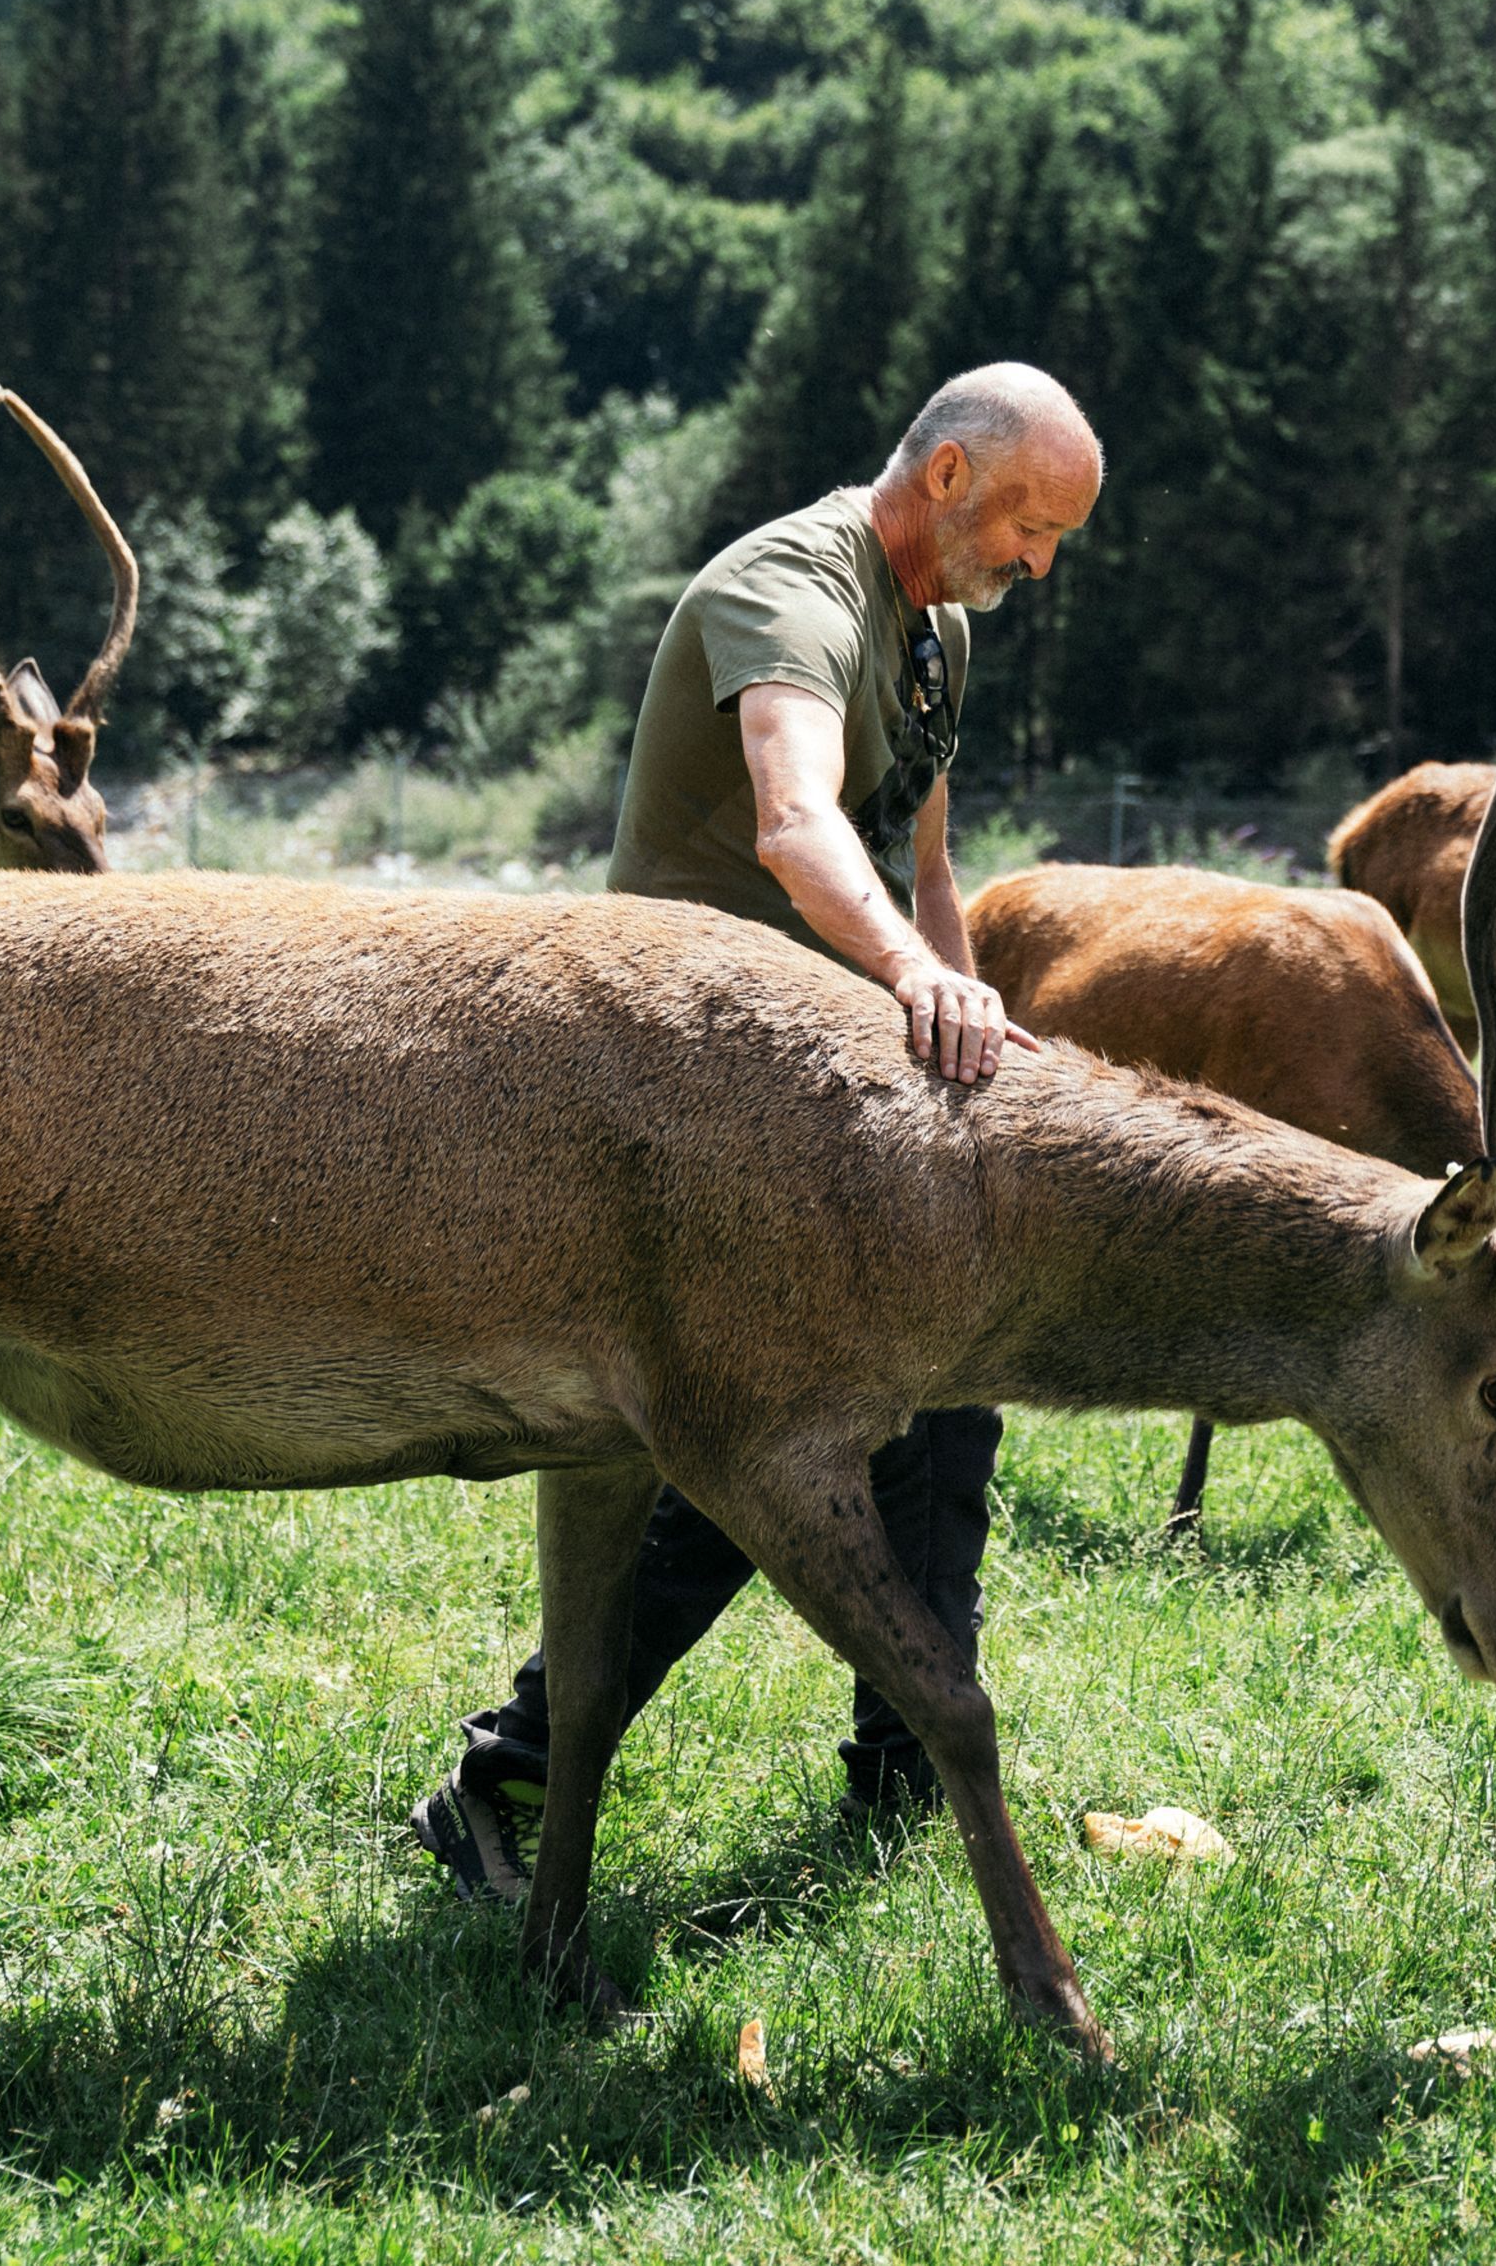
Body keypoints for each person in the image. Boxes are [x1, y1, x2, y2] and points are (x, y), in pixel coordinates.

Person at [409, 366, 1103, 1905]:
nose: (1039, 564)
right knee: (785, 1434)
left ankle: (904, 1768)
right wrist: (917, 985)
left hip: (803, 1083)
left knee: (944, 1377)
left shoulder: (943, 632)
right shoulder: (785, 589)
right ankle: (505, 1774)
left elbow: (922, 854)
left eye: (1058, 539)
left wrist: (964, 1022)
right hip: (660, 1094)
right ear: (943, 476)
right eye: (1030, 524)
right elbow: (799, 821)